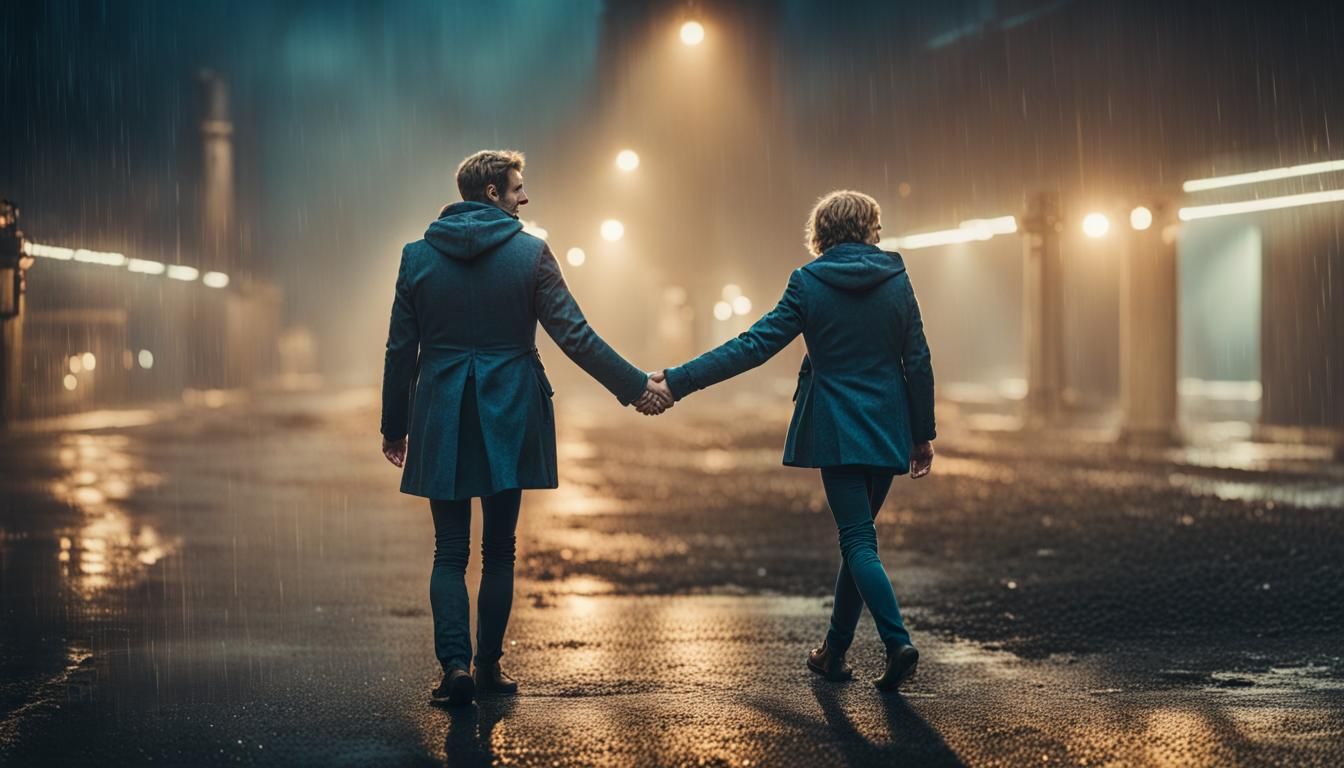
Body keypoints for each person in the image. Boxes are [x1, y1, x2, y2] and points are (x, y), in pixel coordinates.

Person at [380, 149, 672, 706]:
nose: (525, 196)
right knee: (499, 550)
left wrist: (395, 426)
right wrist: (636, 387)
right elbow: (576, 336)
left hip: (442, 409)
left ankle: (454, 670)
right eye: (518, 187)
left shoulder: (416, 257)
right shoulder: (529, 254)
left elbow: (400, 351)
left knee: (448, 551)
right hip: (509, 411)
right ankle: (488, 665)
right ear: (492, 192)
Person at [643, 190, 935, 691]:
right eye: (877, 226)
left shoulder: (808, 282)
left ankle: (896, 640)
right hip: (888, 425)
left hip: (837, 426)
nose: (882, 235)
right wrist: (922, 434)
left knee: (858, 541)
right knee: (858, 541)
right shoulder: (896, 278)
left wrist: (679, 380)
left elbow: (753, 345)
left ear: (823, 232)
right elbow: (919, 359)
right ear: (864, 229)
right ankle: (833, 652)